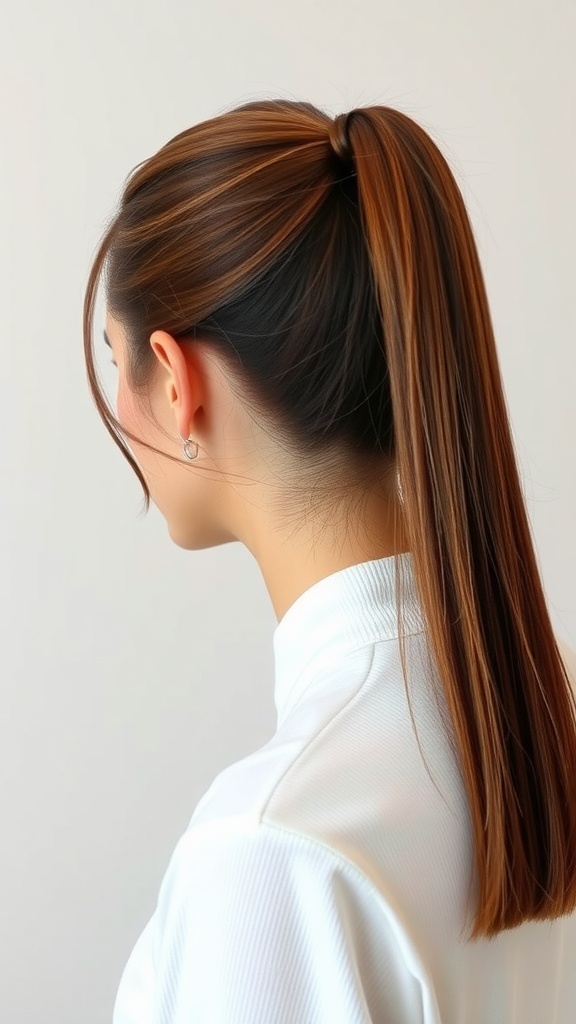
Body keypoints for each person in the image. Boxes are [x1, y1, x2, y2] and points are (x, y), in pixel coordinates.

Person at [84, 99, 576, 1023]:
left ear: (176, 379)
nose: (118, 405)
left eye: (118, 359)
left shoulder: (272, 846)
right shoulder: (538, 715)